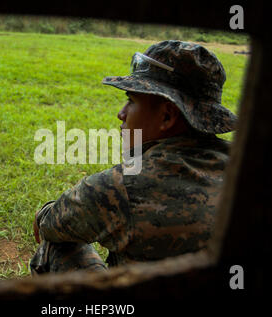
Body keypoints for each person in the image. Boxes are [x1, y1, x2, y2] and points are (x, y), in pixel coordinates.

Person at [29, 40, 237, 275]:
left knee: (56, 245)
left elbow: (50, 224)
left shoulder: (122, 186)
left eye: (131, 100)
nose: (121, 114)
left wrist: (44, 212)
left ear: (167, 117)